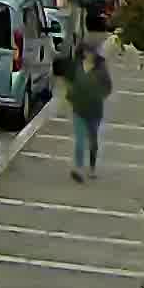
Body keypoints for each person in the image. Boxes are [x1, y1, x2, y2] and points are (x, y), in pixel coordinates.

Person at [60, 36, 111, 180]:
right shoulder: (76, 66)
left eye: (92, 52)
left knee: (93, 141)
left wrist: (98, 96)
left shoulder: (101, 69)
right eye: (87, 51)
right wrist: (71, 96)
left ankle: (92, 167)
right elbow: (67, 81)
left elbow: (108, 87)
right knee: (80, 140)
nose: (89, 54)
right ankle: (79, 168)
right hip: (79, 109)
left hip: (94, 111)